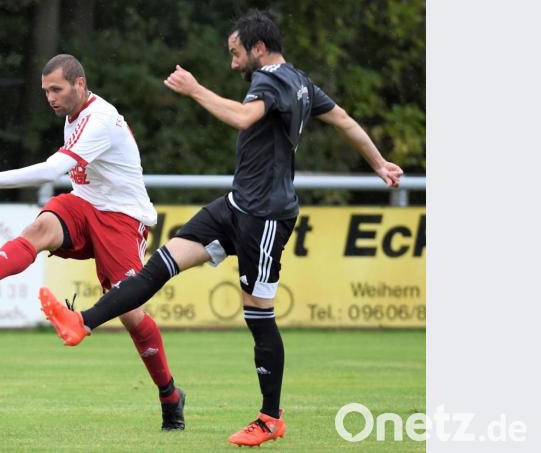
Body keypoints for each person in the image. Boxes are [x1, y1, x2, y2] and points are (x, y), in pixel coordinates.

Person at [39, 12, 404, 447]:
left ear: (259, 48)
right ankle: (82, 323)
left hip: (266, 217)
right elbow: (343, 119)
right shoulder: (301, 81)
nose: (232, 63)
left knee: (259, 316)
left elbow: (243, 118)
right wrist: (378, 162)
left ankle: (271, 418)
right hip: (235, 206)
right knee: (159, 266)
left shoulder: (271, 80)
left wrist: (195, 90)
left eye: (236, 53)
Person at [0, 54, 185, 431]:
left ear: (80, 84)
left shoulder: (100, 120)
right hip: (84, 204)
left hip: (123, 218)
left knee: (131, 314)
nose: (50, 97)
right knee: (41, 227)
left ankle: (170, 394)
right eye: (45, 90)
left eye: (56, 89)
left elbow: (53, 169)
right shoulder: (72, 116)